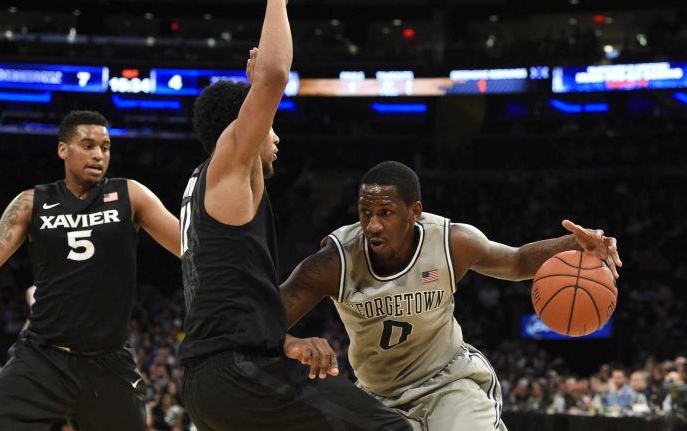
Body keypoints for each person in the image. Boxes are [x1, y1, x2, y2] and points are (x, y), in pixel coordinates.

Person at [177, 2, 411, 430]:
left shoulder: (203, 190)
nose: (276, 134)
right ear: (242, 127)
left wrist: (282, 341)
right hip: (236, 374)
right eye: (269, 122)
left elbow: (226, 305)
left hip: (214, 380)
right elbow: (275, 76)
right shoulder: (230, 164)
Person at [280, 161, 623, 431]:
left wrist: (573, 244)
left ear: (415, 212)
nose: (372, 225)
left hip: (449, 380)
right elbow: (263, 318)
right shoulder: (335, 261)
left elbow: (517, 262)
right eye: (365, 213)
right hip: (378, 396)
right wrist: (291, 341)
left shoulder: (451, 242)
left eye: (385, 213)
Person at [0, 110, 182, 431]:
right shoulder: (32, 202)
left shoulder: (130, 195)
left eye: (105, 147)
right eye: (87, 145)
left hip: (108, 362)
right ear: (63, 149)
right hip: (42, 358)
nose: (98, 154)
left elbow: (188, 246)